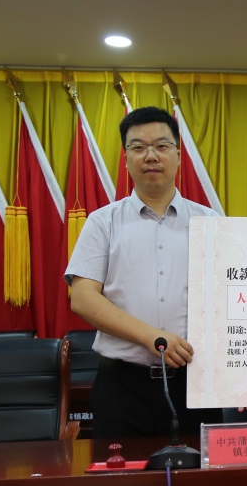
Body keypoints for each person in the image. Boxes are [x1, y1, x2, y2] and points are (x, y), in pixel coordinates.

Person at [65, 106, 223, 438]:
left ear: (178, 155)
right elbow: (82, 298)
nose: (151, 156)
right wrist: (151, 337)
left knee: (199, 471)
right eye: (138, 147)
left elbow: (232, 299)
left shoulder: (211, 223)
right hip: (123, 388)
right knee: (121, 473)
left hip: (196, 384)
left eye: (162, 146)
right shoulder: (102, 222)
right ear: (126, 159)